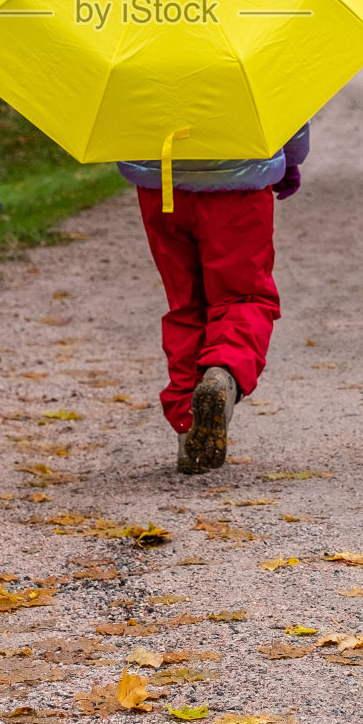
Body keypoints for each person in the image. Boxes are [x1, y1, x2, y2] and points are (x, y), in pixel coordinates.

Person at [118, 125, 310, 474]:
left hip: (161, 185)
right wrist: (290, 159)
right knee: (244, 296)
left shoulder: (138, 67)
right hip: (237, 184)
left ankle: (187, 429)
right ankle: (223, 371)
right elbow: (288, 107)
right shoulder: (247, 66)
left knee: (186, 304)